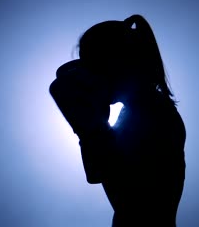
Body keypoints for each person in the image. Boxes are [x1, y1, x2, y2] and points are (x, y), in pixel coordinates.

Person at [49, 14, 186, 226]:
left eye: (92, 66)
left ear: (113, 63)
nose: (89, 77)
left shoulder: (152, 115)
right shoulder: (136, 113)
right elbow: (98, 172)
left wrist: (91, 125)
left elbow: (130, 198)